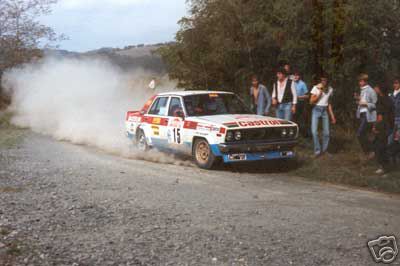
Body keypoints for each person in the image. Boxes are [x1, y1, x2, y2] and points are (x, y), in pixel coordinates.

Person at [310, 76, 336, 157]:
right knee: (314, 131)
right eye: (322, 80)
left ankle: (325, 150)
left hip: (324, 110)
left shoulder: (330, 89)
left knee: (327, 132)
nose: (324, 82)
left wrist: (332, 116)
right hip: (316, 109)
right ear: (320, 80)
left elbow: (329, 104)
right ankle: (317, 151)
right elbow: (311, 101)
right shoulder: (316, 88)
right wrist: (320, 93)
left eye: (325, 80)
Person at [372, 85, 394, 175]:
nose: (375, 89)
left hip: (382, 126)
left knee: (378, 146)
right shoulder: (389, 99)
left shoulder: (380, 100)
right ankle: (386, 167)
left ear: (380, 90)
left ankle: (383, 168)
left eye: (376, 87)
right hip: (389, 126)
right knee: (384, 146)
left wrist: (375, 126)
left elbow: (379, 116)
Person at [356, 74, 377, 159]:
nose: (359, 82)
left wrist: (365, 103)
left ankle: (370, 151)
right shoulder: (362, 90)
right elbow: (361, 102)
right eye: (359, 81)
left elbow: (375, 104)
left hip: (367, 115)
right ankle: (372, 151)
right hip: (361, 114)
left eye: (361, 81)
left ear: (365, 81)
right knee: (364, 134)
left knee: (359, 134)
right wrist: (358, 99)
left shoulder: (371, 90)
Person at [293, 71, 309, 136]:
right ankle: (295, 133)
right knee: (294, 118)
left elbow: (307, 96)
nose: (296, 77)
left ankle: (304, 134)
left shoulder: (303, 84)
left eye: (297, 75)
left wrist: (299, 96)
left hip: (301, 103)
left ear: (300, 76)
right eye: (295, 75)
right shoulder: (292, 83)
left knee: (301, 118)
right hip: (293, 103)